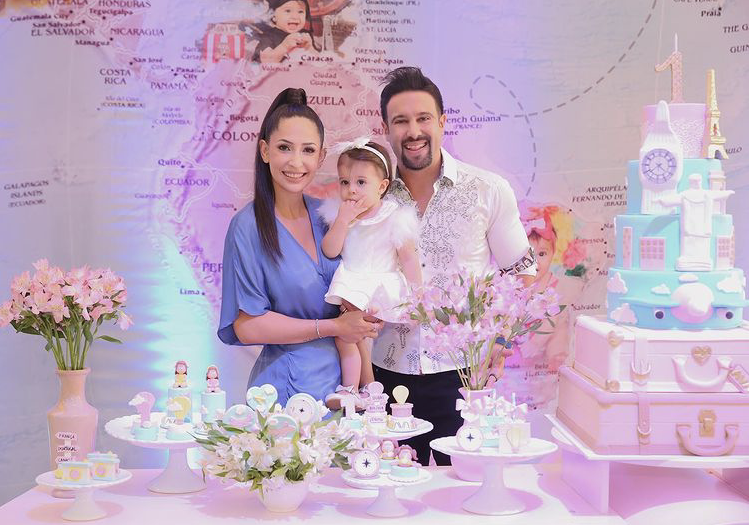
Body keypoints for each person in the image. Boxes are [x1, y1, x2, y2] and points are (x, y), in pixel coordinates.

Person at [373, 66, 537, 464]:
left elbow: (523, 275)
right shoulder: (370, 198)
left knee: (463, 486)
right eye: (401, 121)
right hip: (386, 374)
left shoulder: (488, 190)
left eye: (423, 118)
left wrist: (501, 343)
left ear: (442, 122)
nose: (413, 131)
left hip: (463, 376)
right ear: (386, 129)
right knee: (392, 486)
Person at [218, 87, 381, 406]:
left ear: (321, 156)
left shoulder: (330, 216)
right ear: (265, 151)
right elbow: (248, 326)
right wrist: (335, 326)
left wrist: (370, 316)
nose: (296, 162)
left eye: (308, 150)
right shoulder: (248, 227)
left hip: (345, 390)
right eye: (284, 147)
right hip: (284, 393)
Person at [318, 139, 422, 407]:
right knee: (353, 338)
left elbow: (408, 258)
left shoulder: (393, 216)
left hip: (379, 283)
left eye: (361, 182)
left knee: (349, 335)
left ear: (382, 186)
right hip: (352, 281)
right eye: (345, 182)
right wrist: (342, 221)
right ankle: (368, 391)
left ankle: (354, 389)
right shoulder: (342, 215)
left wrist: (418, 296)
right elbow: (330, 250)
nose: (351, 190)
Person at [245, 0, 317, 63]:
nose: (295, 16)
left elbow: (318, 61)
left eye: (300, 12)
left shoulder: (305, 34)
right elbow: (264, 61)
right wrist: (284, 47)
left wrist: (310, 48)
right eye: (288, 11)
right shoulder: (268, 36)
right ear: (273, 16)